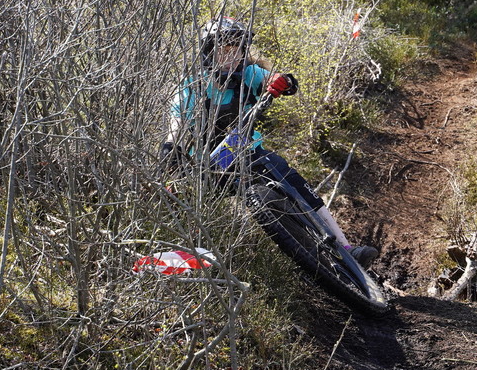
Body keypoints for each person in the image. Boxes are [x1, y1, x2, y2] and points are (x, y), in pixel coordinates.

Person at [159, 17, 378, 267]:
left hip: (249, 151)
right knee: (192, 209)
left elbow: (274, 78)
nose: (231, 55)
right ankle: (200, 263)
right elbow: (175, 128)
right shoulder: (191, 86)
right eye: (224, 49)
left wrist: (282, 82)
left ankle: (347, 248)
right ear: (209, 52)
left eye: (237, 49)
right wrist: (170, 152)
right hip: (209, 165)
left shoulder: (250, 73)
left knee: (296, 185)